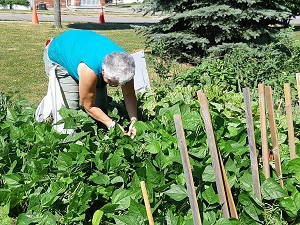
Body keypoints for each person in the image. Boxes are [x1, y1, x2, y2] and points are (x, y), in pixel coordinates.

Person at [43, 29, 137, 138]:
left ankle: (98, 138)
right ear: (103, 71)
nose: (114, 87)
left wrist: (134, 120)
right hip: (60, 54)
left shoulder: (126, 65)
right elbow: (88, 105)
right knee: (69, 115)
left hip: (82, 49)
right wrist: (112, 124)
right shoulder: (89, 70)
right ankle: (63, 141)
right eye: (110, 83)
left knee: (101, 110)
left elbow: (129, 94)